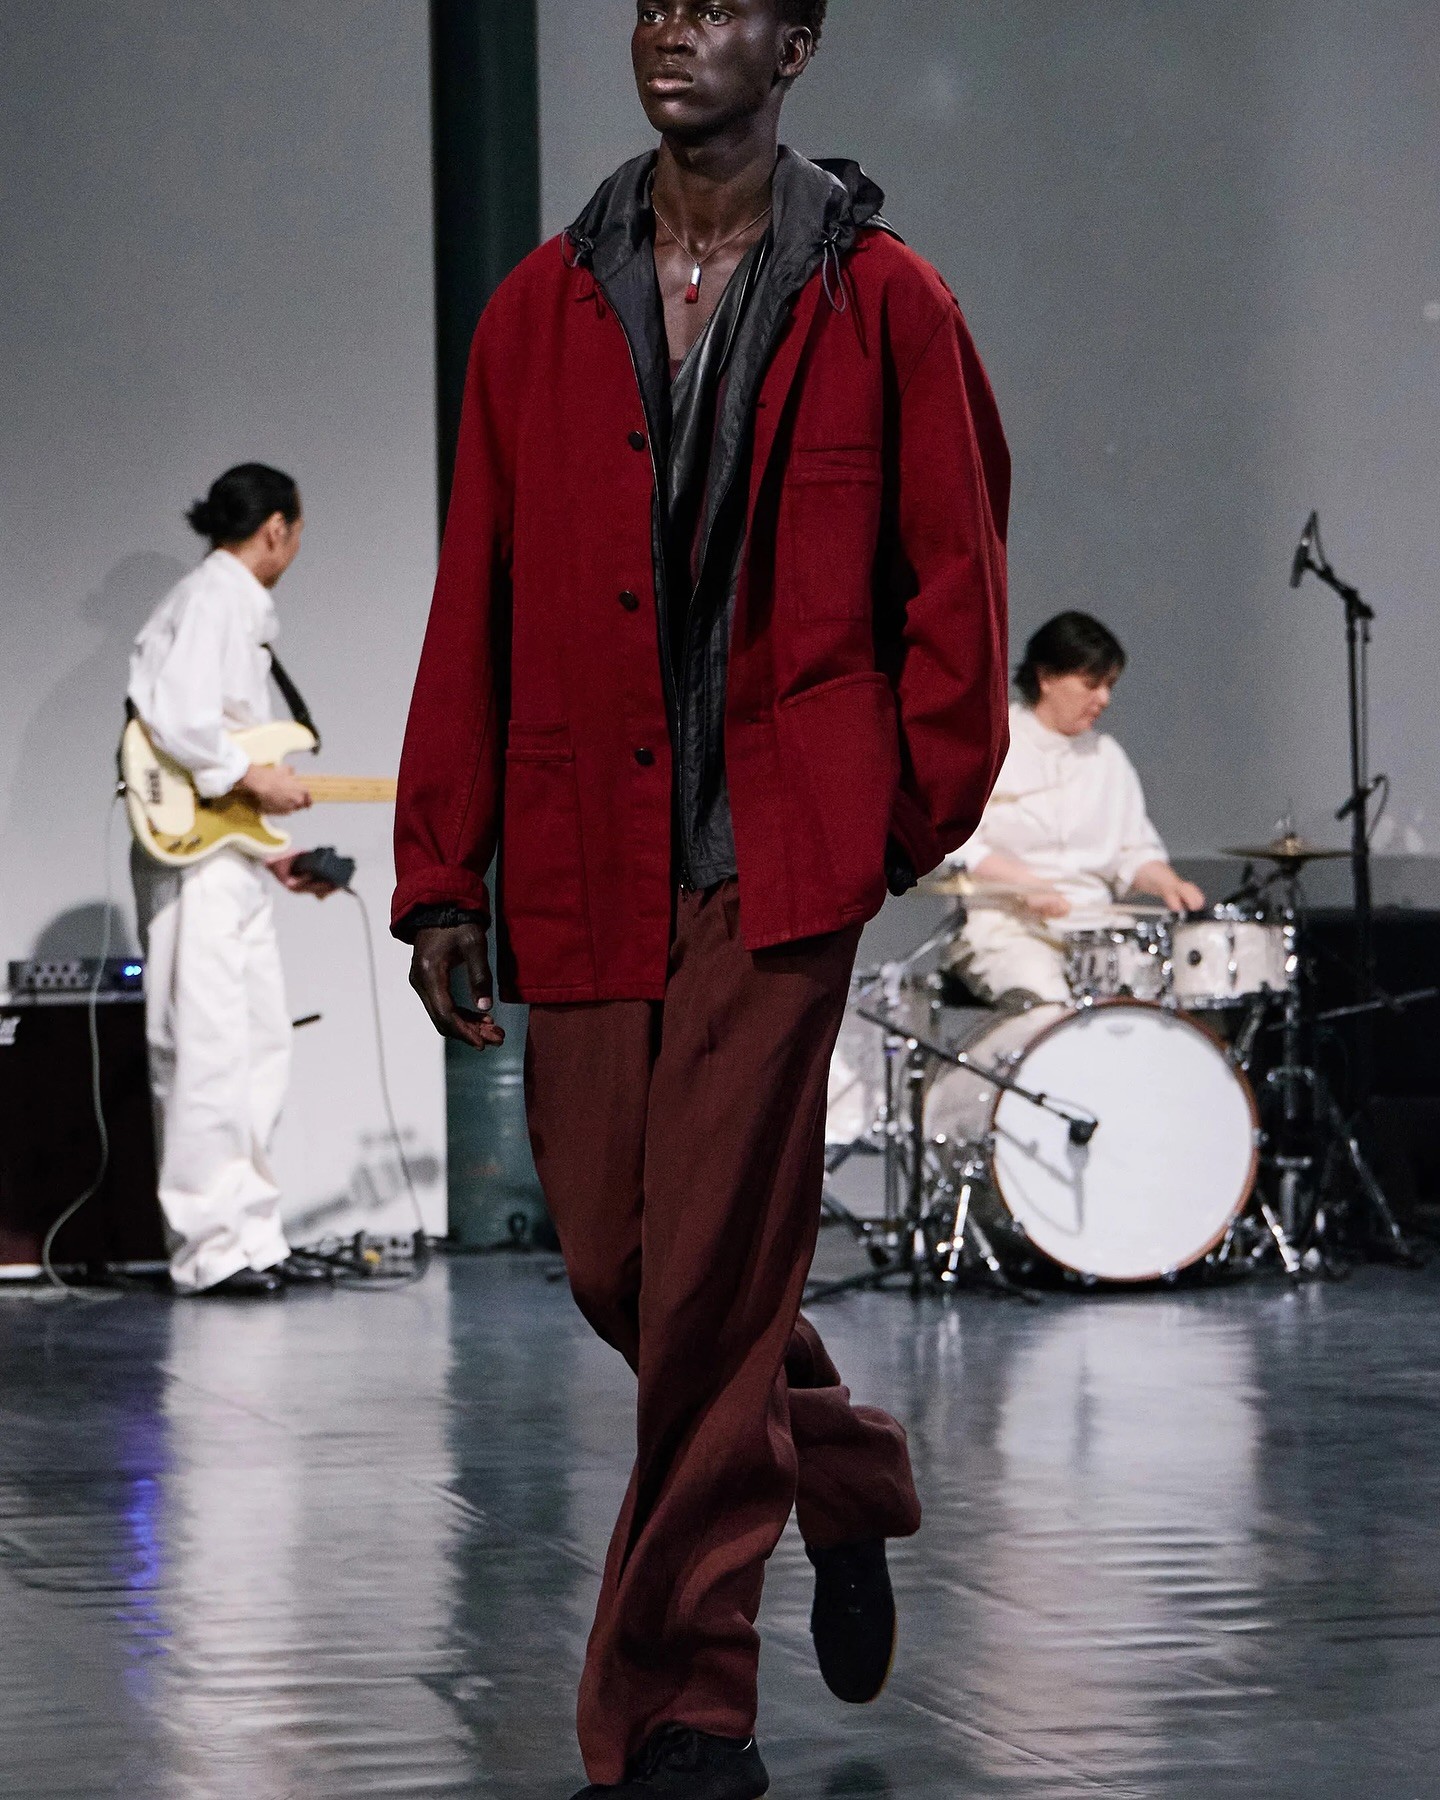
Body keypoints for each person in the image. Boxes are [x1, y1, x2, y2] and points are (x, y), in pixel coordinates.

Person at [392, 3, 1009, 1794]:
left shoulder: (887, 300)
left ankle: (681, 1703)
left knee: (719, 1256)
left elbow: (957, 575)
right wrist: (441, 873)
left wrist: (890, 820)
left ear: (795, 46)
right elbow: (476, 596)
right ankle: (842, 1467)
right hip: (583, 841)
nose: (674, 30)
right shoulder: (539, 307)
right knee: (625, 1263)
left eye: (720, 2)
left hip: (779, 859)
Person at [128, 463, 338, 1298]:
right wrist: (253, 780)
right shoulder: (213, 597)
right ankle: (208, 1249)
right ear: (277, 528)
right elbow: (179, 718)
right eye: (298, 532)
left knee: (257, 1043)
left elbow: (220, 733)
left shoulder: (234, 609)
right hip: (195, 861)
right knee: (208, 1049)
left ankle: (253, 1235)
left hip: (229, 857)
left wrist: (272, 848)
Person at [946, 611, 1205, 1006]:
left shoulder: (1108, 758)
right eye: (1091, 684)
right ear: (1046, 677)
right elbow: (957, 844)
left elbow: (1133, 852)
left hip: (1096, 929)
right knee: (1047, 1002)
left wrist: (1169, 883)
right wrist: (1025, 884)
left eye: (1109, 686)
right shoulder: (994, 744)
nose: (1104, 699)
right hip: (1009, 928)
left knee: (1152, 1001)